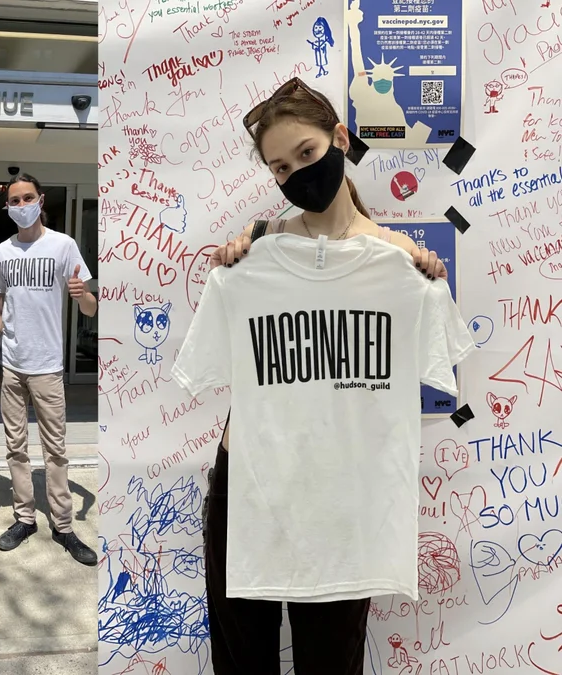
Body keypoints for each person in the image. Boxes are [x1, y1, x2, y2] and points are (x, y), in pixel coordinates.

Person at [201, 78, 451, 673]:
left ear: (340, 137)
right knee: (242, 663)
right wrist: (238, 258)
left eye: (307, 155)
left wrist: (427, 282)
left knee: (331, 664)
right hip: (248, 484)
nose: (296, 175)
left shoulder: (398, 260)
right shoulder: (259, 248)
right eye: (280, 169)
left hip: (340, 491)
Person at [0, 174, 99, 566]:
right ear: (8, 207)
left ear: (40, 200)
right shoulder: (2, 252)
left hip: (47, 366)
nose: (21, 205)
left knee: (56, 451)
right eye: (14, 200)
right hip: (12, 366)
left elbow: (90, 307)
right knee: (15, 447)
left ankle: (64, 527)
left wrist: (84, 297)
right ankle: (24, 518)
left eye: (27, 198)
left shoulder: (63, 246)